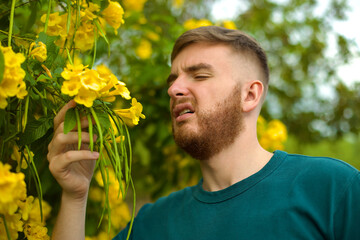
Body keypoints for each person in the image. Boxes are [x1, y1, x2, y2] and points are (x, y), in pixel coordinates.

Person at [47, 26, 360, 240]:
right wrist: (76, 197)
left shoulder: (332, 189)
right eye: (173, 79)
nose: (174, 89)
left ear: (249, 95)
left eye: (199, 74)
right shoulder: (152, 224)